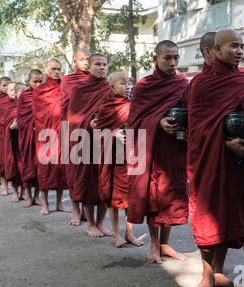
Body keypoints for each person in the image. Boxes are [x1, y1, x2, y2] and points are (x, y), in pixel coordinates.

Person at [187, 28, 244, 287]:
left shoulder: (243, 81)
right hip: (206, 161)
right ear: (216, 51)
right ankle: (206, 275)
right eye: (233, 46)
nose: (239, 51)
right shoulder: (199, 84)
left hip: (236, 163)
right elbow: (196, 129)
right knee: (207, 219)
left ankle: (218, 271)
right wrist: (224, 142)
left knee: (230, 217)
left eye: (242, 46)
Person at [127, 40, 189, 263]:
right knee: (153, 198)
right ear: (155, 59)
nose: (172, 63)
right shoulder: (144, 86)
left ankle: (165, 245)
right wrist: (158, 122)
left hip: (173, 151)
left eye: (176, 58)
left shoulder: (182, 85)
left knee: (171, 197)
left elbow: (189, 112)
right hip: (152, 152)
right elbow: (134, 122)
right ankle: (154, 246)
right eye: (167, 58)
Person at [68, 54, 113, 237]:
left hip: (106, 140)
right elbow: (73, 118)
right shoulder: (79, 89)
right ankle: (91, 224)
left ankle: (101, 222)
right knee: (87, 182)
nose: (102, 67)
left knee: (105, 182)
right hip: (84, 140)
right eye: (97, 64)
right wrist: (88, 123)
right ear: (89, 66)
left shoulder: (110, 88)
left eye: (104, 64)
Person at [96, 72, 143, 247]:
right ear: (112, 86)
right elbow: (98, 134)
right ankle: (117, 234)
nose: (128, 86)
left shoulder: (132, 106)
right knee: (114, 199)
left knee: (130, 198)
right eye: (123, 83)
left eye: (129, 83)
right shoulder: (105, 108)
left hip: (130, 157)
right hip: (113, 159)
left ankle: (129, 233)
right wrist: (112, 134)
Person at [32, 59, 72, 215]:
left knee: (61, 169)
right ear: (46, 70)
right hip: (45, 134)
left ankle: (59, 203)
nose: (56, 72)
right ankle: (45, 204)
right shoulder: (39, 90)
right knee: (45, 169)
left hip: (62, 132)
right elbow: (37, 113)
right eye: (53, 69)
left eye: (59, 69)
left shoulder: (65, 88)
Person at [60, 48, 91, 225]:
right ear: (74, 61)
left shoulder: (98, 81)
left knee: (90, 174)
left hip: (93, 132)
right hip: (71, 130)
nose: (85, 62)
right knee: (73, 172)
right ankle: (77, 212)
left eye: (88, 59)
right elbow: (63, 106)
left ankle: (90, 214)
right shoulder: (68, 80)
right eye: (82, 59)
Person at [17, 70, 44, 208]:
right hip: (27, 136)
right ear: (29, 81)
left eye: (41, 81)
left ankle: (37, 197)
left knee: (40, 167)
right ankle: (28, 197)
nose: (38, 84)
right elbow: (21, 118)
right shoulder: (24, 96)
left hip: (42, 137)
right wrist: (30, 125)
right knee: (27, 165)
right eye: (35, 81)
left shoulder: (45, 95)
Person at [2, 82, 26, 200]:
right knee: (14, 166)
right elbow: (3, 126)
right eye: (10, 90)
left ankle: (24, 192)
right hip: (12, 142)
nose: (13, 92)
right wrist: (11, 128)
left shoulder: (27, 105)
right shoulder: (8, 107)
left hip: (25, 141)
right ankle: (16, 192)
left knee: (25, 167)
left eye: (14, 90)